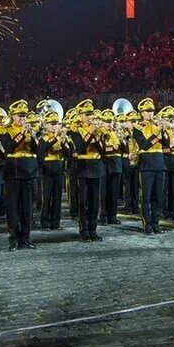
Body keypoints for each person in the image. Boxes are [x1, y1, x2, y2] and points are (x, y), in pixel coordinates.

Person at [0, 100, 39, 250]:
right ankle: (14, 239)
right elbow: (7, 149)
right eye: (19, 115)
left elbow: (38, 151)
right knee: (13, 208)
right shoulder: (5, 131)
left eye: (24, 115)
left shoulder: (31, 130)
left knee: (27, 209)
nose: (22, 118)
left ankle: (25, 238)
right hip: (13, 173)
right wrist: (21, 135)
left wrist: (34, 137)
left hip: (29, 172)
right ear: (12, 115)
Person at [68, 100, 104, 242]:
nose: (90, 117)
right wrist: (90, 132)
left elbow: (102, 151)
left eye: (91, 114)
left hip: (96, 167)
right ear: (80, 115)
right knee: (83, 202)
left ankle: (93, 229)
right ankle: (83, 230)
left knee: (95, 202)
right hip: (82, 168)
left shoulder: (97, 129)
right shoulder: (74, 130)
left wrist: (99, 139)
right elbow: (80, 147)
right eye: (87, 114)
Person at [131, 97, 165, 235]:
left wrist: (167, 131)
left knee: (159, 196)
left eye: (152, 111)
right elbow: (144, 145)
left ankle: (156, 223)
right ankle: (147, 224)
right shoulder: (137, 128)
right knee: (147, 197)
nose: (150, 113)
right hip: (146, 164)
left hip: (160, 163)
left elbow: (168, 145)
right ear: (141, 113)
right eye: (147, 111)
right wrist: (158, 132)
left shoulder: (158, 125)